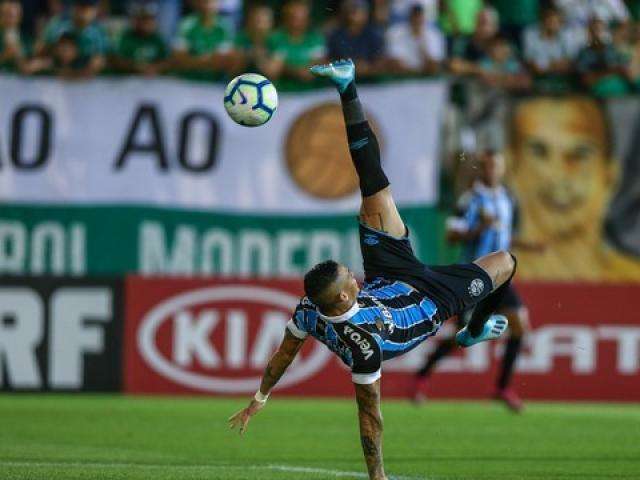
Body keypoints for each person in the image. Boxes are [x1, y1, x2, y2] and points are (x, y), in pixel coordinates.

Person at [229, 59, 516, 480]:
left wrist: (260, 397)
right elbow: (370, 417)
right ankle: (470, 331)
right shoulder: (364, 346)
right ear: (345, 296)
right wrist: (377, 476)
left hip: (390, 277)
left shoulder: (309, 309)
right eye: (348, 275)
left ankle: (347, 88)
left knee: (372, 184)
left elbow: (284, 354)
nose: (351, 271)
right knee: (507, 262)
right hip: (434, 301)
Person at [411, 151, 537, 412]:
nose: (492, 170)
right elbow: (452, 236)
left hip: (502, 276)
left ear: (502, 169)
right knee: (467, 332)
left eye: (496, 166)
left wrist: (530, 246)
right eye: (488, 165)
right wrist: (480, 227)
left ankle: (502, 387)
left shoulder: (508, 198)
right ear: (482, 168)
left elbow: (504, 237)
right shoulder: (469, 199)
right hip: (476, 275)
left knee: (520, 326)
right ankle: (422, 375)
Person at [508, 96, 640, 281]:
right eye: (539, 151)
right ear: (511, 167)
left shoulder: (633, 281)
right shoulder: (490, 284)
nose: (558, 175)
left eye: (580, 154)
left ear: (610, 175)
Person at [34, 0, 109, 78]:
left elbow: (102, 61)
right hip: (54, 81)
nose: (84, 12)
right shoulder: (58, 25)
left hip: (88, 82)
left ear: (95, 10)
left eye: (88, 8)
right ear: (73, 7)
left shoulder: (99, 31)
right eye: (80, 7)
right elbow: (39, 52)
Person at [172, 0, 235, 80]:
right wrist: (209, 61)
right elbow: (178, 58)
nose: (208, 5)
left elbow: (224, 61)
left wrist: (193, 61)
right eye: (205, 1)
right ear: (198, 2)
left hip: (215, 82)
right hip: (186, 80)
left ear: (219, 4)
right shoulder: (187, 23)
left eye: (213, 1)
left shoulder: (226, 26)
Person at [327, 0, 386, 79]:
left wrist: (367, 67)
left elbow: (381, 61)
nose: (355, 14)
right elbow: (329, 60)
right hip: (342, 81)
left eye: (360, 10)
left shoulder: (373, 35)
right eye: (352, 10)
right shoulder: (336, 36)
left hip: (370, 82)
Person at [111, 2, 170, 76]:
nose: (146, 23)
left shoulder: (157, 38)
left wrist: (156, 67)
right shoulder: (125, 37)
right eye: (142, 19)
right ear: (135, 21)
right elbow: (117, 61)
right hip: (127, 79)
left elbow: (166, 60)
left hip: (152, 80)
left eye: (149, 19)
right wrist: (137, 67)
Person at [386, 3, 445, 76]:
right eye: (414, 16)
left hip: (426, 79)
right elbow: (394, 62)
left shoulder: (434, 35)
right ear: (409, 17)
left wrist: (422, 43)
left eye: (419, 17)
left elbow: (435, 65)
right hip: (402, 78)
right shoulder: (395, 33)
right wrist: (416, 71)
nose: (417, 20)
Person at [0, 0, 25, 72]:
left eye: (12, 16)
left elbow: (26, 66)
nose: (8, 19)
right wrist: (5, 55)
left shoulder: (25, 39)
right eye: (5, 15)